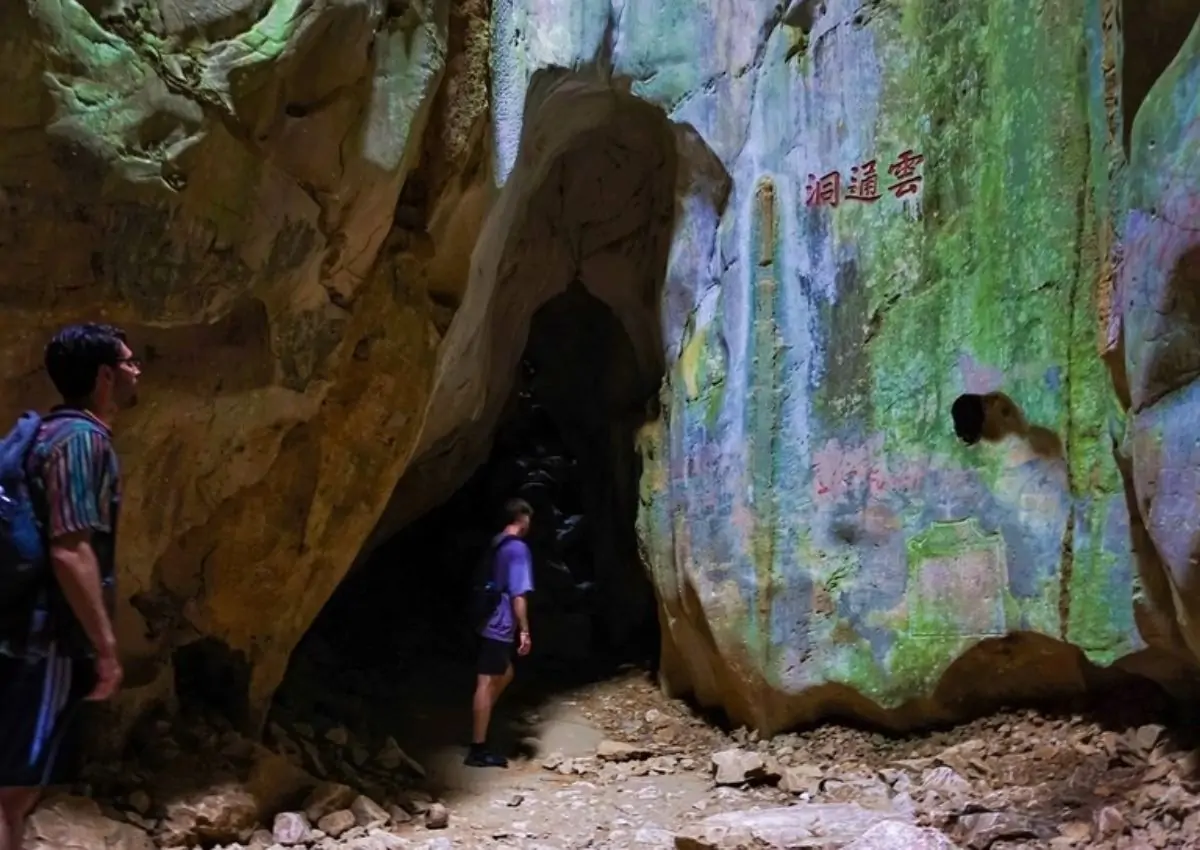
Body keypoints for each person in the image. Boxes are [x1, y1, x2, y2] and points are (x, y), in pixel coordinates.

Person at [0, 324, 140, 850]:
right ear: (105, 376)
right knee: (12, 792)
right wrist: (106, 650)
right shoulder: (82, 441)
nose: (136, 369)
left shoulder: (41, 433)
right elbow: (70, 547)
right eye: (128, 362)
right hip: (42, 639)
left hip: (12, 624)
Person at [465, 498, 534, 768]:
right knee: (487, 681)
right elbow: (519, 594)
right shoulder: (517, 549)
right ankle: (477, 748)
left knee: (504, 673)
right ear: (522, 518)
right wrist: (525, 630)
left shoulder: (496, 542)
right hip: (499, 622)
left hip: (484, 616)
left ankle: (482, 718)